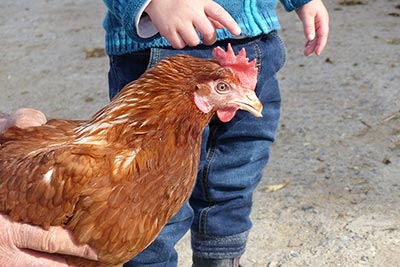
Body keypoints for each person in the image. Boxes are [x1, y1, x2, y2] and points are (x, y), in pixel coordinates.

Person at [0, 0, 329, 266]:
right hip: (152, 44)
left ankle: (221, 259)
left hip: (255, 38)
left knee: (232, 178)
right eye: (227, 88)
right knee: (141, 196)